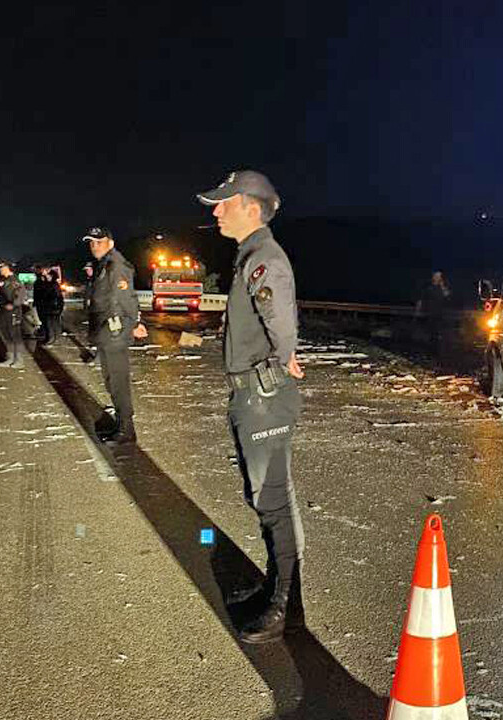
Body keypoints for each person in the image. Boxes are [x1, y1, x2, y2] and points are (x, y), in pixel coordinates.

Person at [197, 170, 306, 644]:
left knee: (273, 501)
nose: (216, 210)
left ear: (251, 207)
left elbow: (280, 323)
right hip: (253, 394)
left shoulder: (263, 257)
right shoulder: (249, 255)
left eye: (224, 202)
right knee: (263, 498)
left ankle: (284, 606)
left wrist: (284, 359)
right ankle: (276, 589)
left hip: (263, 396)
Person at [83, 227, 147, 445]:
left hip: (115, 331)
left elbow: (126, 298)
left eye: (98, 242)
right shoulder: (104, 265)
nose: (94, 246)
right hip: (106, 332)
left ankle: (126, 429)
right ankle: (121, 424)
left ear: (110, 243)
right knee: (111, 380)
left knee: (118, 381)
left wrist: (135, 323)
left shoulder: (116, 266)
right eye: (91, 243)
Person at [0, 261, 26, 368]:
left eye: (2, 268)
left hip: (14, 312)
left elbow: (21, 295)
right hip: (4, 311)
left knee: (15, 336)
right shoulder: (5, 280)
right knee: (7, 335)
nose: (0, 270)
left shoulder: (14, 280)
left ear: (8, 269)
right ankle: (10, 358)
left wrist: (13, 305)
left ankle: (19, 360)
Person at [416, 270, 452, 359]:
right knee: (431, 334)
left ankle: (439, 354)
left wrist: (442, 286)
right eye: (436, 276)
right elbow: (421, 299)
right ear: (433, 277)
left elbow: (447, 295)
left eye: (439, 276)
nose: (438, 278)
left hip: (441, 314)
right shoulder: (428, 287)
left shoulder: (443, 287)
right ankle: (430, 353)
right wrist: (418, 311)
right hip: (429, 313)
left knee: (440, 335)